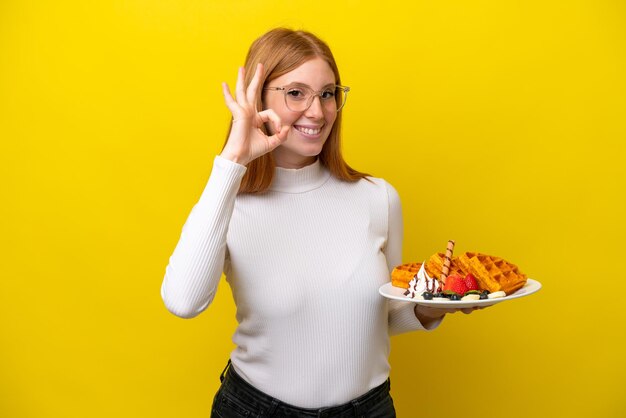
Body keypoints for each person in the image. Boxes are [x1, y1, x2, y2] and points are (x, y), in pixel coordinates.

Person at [161, 28, 477, 418]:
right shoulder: (228, 204)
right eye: (296, 93)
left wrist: (437, 305)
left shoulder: (378, 198)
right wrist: (232, 162)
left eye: (328, 93)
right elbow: (184, 301)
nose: (317, 111)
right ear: (258, 101)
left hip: (369, 409)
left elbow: (384, 316)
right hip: (256, 410)